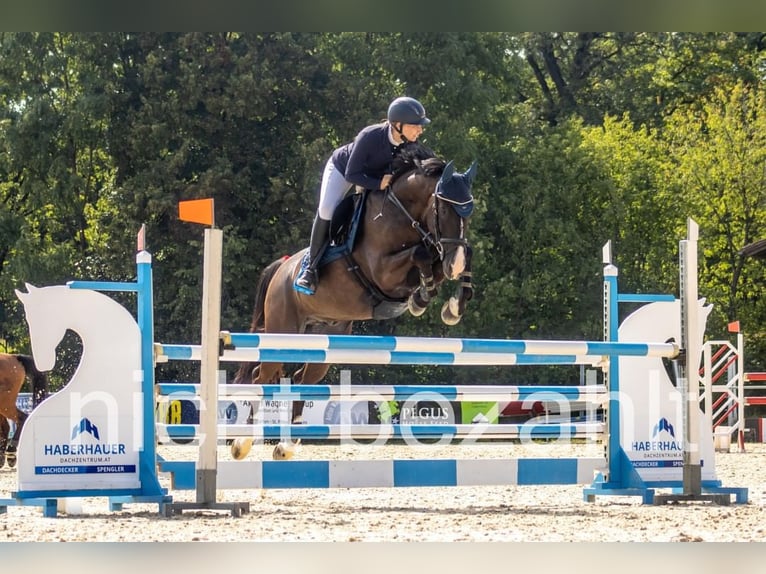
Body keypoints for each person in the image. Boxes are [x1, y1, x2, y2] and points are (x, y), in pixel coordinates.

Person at [293, 96, 431, 295]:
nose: (420, 130)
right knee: (326, 209)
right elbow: (352, 174)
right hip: (344, 170)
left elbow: (430, 164)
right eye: (415, 126)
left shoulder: (411, 144)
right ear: (397, 125)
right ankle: (310, 268)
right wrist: (377, 183)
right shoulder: (370, 136)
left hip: (374, 177)